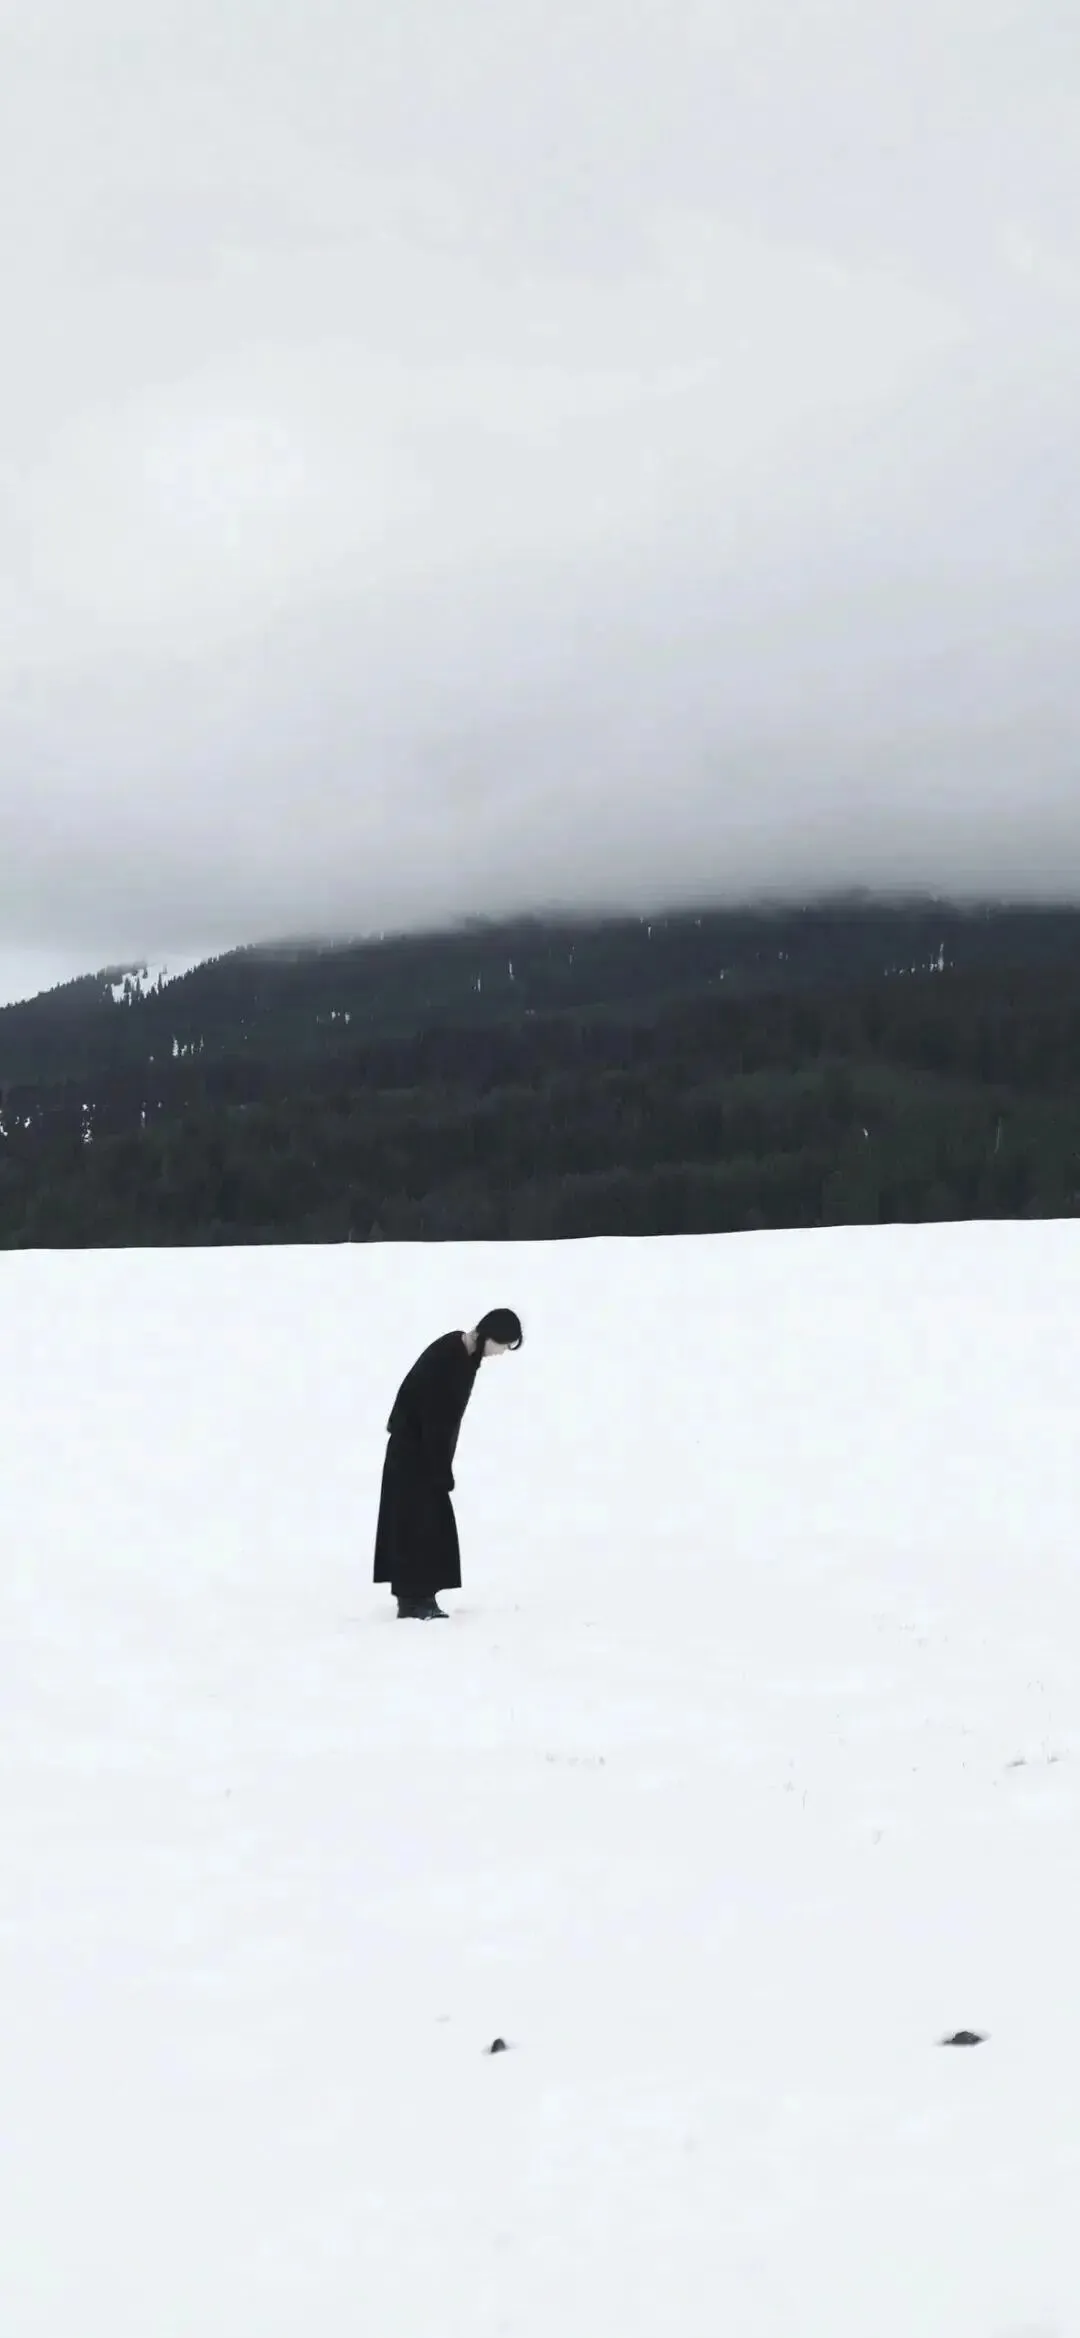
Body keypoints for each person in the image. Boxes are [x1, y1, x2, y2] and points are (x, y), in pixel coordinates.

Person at [373, 1308, 523, 1619]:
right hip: (413, 1453)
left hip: (421, 1452)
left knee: (427, 1524)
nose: (502, 1352)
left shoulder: (462, 1355)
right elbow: (435, 1418)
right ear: (491, 1335)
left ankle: (421, 1596)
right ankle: (413, 1601)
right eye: (503, 1344)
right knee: (415, 1524)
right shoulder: (450, 1357)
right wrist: (439, 1469)